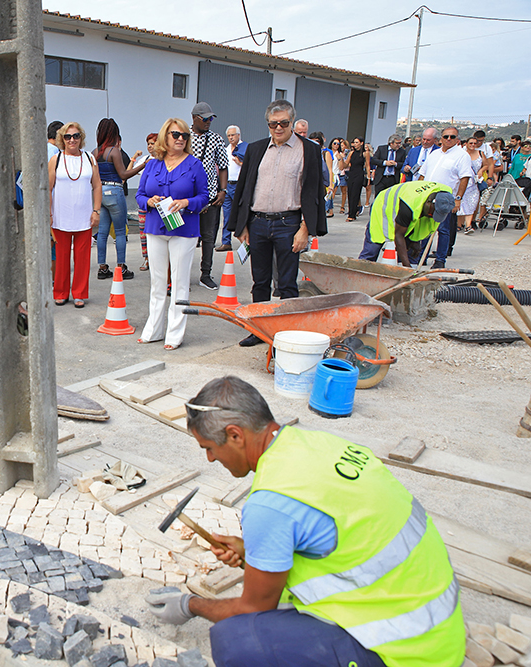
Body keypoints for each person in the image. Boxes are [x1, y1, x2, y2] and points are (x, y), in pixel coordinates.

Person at [146, 376, 465, 667]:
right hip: (438, 627)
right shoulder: (316, 443)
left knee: (236, 641)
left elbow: (253, 608)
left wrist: (191, 605)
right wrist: (254, 551)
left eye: (210, 448)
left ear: (235, 435)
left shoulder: (271, 503)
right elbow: (333, 529)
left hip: (408, 652)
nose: (210, 459)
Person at [227, 99, 326, 347]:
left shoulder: (308, 150)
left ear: (292, 122)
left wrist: (305, 229)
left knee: (287, 283)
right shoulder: (257, 149)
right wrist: (242, 226)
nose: (278, 128)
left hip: (289, 224)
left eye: (283, 123)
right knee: (259, 281)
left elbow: (314, 192)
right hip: (258, 223)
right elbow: (245, 189)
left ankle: (287, 333)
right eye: (273, 124)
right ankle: (260, 330)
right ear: (268, 125)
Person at [135, 118, 209, 350]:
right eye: (176, 134)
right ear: (165, 136)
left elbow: (205, 196)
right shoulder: (151, 165)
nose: (180, 139)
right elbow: (139, 195)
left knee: (179, 282)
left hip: (184, 229)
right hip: (156, 227)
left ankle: (174, 334)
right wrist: (149, 200)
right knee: (157, 282)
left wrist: (187, 202)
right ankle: (154, 329)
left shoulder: (194, 165)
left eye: (185, 136)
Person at [48, 122, 101, 309]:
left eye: (76, 136)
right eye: (68, 136)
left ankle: (79, 293)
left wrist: (96, 210)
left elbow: (97, 185)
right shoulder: (56, 159)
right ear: (62, 139)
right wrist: (48, 213)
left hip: (84, 217)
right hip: (61, 217)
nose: (72, 140)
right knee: (61, 258)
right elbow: (48, 187)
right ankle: (60, 293)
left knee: (82, 258)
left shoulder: (89, 159)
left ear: (81, 138)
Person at [93, 118, 145, 281]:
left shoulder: (95, 152)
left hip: (100, 192)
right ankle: (121, 267)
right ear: (114, 133)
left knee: (102, 233)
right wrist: (143, 165)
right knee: (120, 232)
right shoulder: (114, 151)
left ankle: (102, 267)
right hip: (115, 191)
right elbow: (123, 175)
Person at [358, 180, 454, 266]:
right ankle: (360, 274)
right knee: (373, 248)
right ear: (429, 202)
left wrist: (415, 241)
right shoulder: (409, 204)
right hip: (385, 208)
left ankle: (406, 281)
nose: (432, 216)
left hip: (411, 211)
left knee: (412, 252)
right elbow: (399, 235)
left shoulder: (446, 195)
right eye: (432, 213)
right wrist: (406, 266)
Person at [418, 127, 470, 269]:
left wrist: (458, 199)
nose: (448, 139)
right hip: (428, 196)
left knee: (443, 229)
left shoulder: (462, 155)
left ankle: (440, 259)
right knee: (425, 227)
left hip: (445, 197)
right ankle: (422, 256)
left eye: (452, 137)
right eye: (446, 136)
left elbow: (464, 178)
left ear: (457, 139)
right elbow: (423, 174)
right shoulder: (434, 154)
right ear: (440, 138)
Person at [189, 102, 228, 290]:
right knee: (185, 237)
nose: (208, 122)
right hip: (187, 198)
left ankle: (206, 274)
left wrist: (223, 191)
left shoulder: (216, 139)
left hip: (211, 196)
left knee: (208, 237)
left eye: (211, 118)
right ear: (194, 117)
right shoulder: (184, 137)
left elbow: (223, 166)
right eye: (205, 118)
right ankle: (181, 275)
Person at [217, 126, 247, 251]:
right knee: (227, 214)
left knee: (242, 213)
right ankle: (226, 241)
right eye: (229, 135)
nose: (231, 138)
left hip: (239, 184)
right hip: (227, 184)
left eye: (233, 135)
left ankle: (246, 241)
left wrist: (241, 163)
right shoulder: (226, 149)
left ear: (238, 135)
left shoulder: (245, 148)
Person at [460, 136, 492, 235]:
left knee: (472, 203)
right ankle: (459, 223)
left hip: (474, 181)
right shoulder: (461, 153)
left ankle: (468, 225)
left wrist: (481, 171)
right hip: (462, 181)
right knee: (461, 202)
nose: (473, 145)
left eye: (475, 143)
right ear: (466, 144)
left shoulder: (480, 153)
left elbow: (486, 164)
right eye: (471, 143)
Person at [137, 132, 158, 272]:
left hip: (162, 205)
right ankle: (147, 258)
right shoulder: (147, 161)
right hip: (146, 203)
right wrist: (135, 159)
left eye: (153, 143)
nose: (150, 146)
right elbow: (128, 171)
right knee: (143, 233)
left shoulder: (167, 161)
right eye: (148, 144)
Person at [340, 137, 369, 221]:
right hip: (351, 174)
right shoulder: (351, 153)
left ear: (361, 143)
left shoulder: (365, 153)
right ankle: (351, 211)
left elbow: (367, 165)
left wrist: (369, 177)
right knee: (350, 193)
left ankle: (352, 215)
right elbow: (345, 165)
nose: (355, 144)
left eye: (357, 142)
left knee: (355, 194)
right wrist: (341, 158)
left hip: (359, 174)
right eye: (354, 142)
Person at [309, 132, 334, 219]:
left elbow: (329, 170)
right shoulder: (307, 152)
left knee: (319, 206)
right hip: (309, 183)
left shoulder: (325, 153)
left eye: (317, 141)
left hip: (320, 183)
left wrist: (330, 185)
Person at [329, 138, 347, 212]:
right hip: (327, 174)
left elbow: (341, 167)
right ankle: (329, 209)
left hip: (335, 174)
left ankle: (331, 209)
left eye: (338, 144)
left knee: (332, 192)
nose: (336, 145)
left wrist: (340, 159)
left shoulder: (339, 154)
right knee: (328, 192)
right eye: (334, 143)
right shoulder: (328, 152)